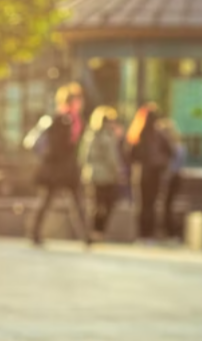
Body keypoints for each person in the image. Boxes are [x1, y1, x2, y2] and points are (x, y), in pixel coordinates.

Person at [27, 84, 88, 246]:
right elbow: (57, 146)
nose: (81, 102)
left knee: (76, 201)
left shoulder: (74, 119)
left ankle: (86, 236)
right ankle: (34, 233)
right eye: (78, 99)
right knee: (47, 200)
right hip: (56, 169)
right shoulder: (60, 119)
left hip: (67, 168)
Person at [127, 103, 172, 244]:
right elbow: (171, 151)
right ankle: (148, 234)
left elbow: (129, 154)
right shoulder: (158, 134)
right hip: (154, 173)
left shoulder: (138, 133)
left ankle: (143, 234)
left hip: (142, 173)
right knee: (150, 204)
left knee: (143, 204)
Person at [79, 106, 124, 243]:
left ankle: (94, 231)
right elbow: (112, 158)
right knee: (106, 204)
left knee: (96, 204)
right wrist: (119, 172)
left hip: (91, 175)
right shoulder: (106, 136)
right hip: (106, 176)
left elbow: (82, 157)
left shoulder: (89, 134)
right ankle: (98, 231)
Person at [159, 118, 187, 241]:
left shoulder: (175, 146)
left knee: (168, 205)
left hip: (172, 178)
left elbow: (175, 165)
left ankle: (171, 232)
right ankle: (168, 231)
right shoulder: (175, 146)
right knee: (166, 205)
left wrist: (167, 174)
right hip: (171, 177)